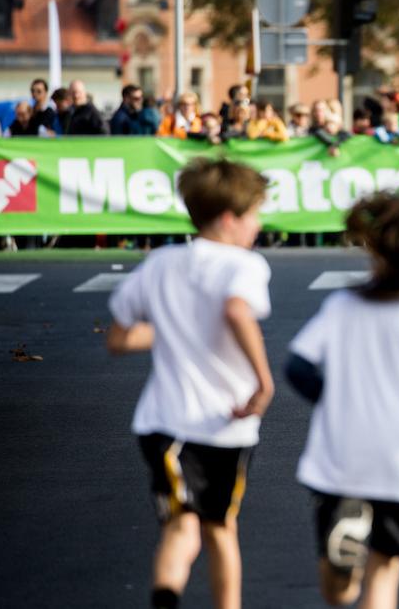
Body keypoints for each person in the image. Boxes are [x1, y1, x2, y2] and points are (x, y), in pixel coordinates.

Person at [284, 192, 399, 609]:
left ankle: (343, 550)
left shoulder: (343, 306)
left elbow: (297, 368)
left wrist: (332, 400)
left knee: (339, 592)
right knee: (385, 573)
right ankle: (351, 552)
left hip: (340, 457)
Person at [106, 157, 273, 609]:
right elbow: (238, 312)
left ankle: (166, 594)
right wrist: (263, 381)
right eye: (255, 214)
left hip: (162, 422)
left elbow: (119, 337)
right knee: (221, 528)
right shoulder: (244, 266)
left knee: (180, 527)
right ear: (229, 219)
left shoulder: (160, 263)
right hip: (224, 425)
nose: (258, 225)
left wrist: (176, 328)